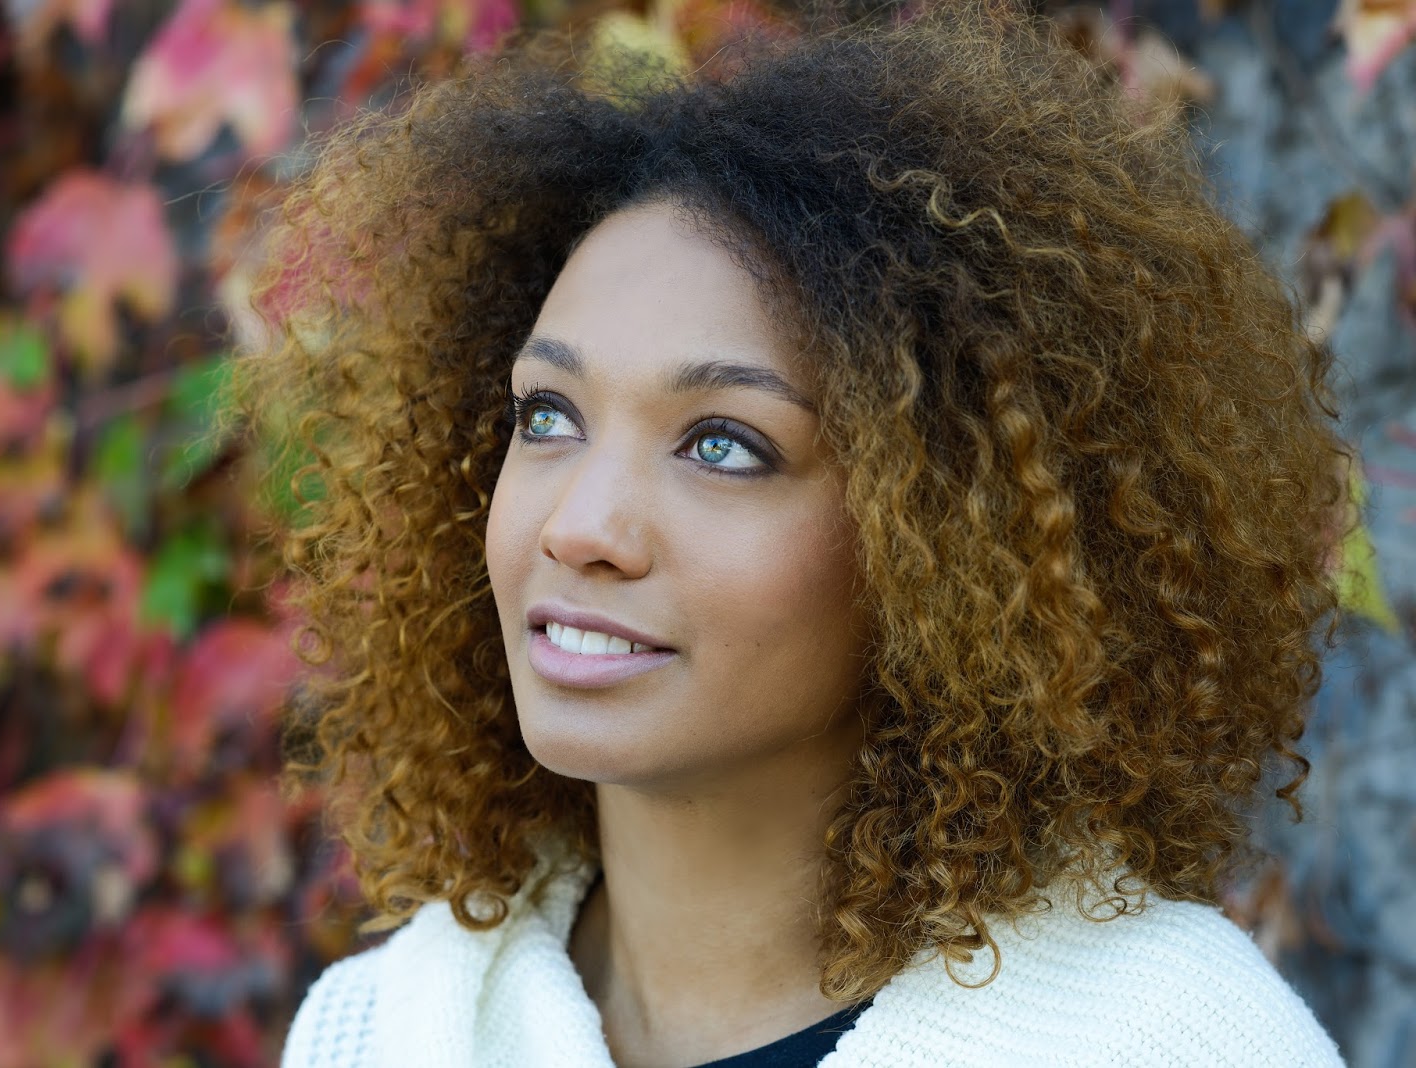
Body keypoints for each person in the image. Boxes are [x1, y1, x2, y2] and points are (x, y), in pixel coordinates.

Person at [235, 4, 1351, 1065]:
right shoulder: (385, 1032)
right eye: (547, 417)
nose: (580, 528)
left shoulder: (1168, 1043)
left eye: (722, 444)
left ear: (948, 539)